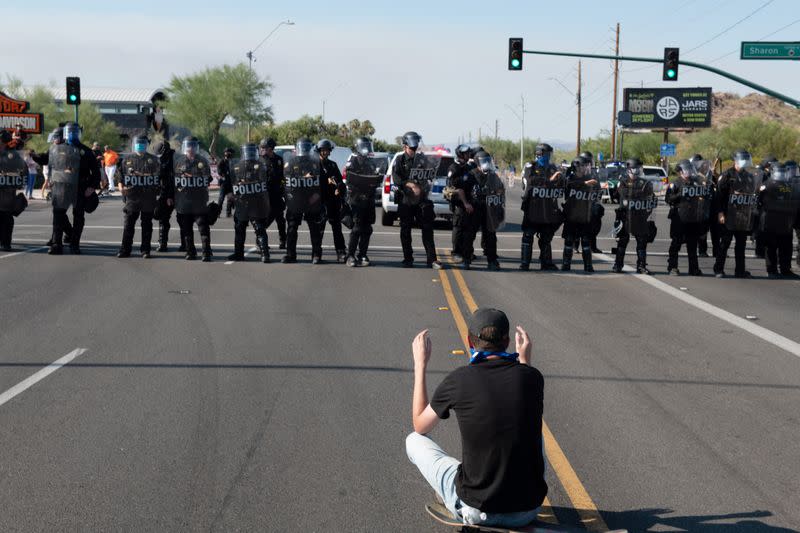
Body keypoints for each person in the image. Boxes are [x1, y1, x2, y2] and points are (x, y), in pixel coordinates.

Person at [405, 308, 546, 528]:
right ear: (507, 341)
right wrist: (525, 359)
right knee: (533, 430)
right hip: (526, 511)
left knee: (413, 440)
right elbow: (523, 384)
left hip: (477, 511)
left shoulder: (459, 380)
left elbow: (420, 425)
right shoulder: (533, 377)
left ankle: (450, 497)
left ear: (469, 343)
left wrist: (420, 365)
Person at [46, 122, 100, 255]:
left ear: (79, 133)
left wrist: (92, 187)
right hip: (61, 187)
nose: (72, 134)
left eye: (75, 132)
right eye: (69, 132)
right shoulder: (58, 149)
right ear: (65, 133)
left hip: (81, 188)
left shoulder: (86, 151)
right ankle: (56, 244)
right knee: (58, 215)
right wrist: (50, 180)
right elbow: (52, 166)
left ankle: (74, 244)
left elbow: (96, 172)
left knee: (78, 217)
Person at [392, 131, 442, 268]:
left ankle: (432, 259)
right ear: (405, 146)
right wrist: (409, 184)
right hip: (406, 200)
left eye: (415, 148)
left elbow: (430, 175)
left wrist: (431, 175)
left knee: (427, 229)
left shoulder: (422, 159)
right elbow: (396, 178)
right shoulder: (400, 160)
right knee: (405, 230)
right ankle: (408, 258)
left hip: (421, 200)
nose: (414, 150)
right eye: (411, 148)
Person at [713, 150, 758, 278]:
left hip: (742, 216)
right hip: (728, 214)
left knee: (741, 245)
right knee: (725, 243)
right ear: (736, 161)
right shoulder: (727, 175)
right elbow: (719, 197)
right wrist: (720, 213)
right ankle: (718, 269)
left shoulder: (748, 176)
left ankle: (740, 270)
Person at [282, 137, 327, 264]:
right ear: (297, 149)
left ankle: (316, 255)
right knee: (291, 227)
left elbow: (323, 184)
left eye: (307, 147)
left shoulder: (316, 162)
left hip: (311, 200)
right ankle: (290, 254)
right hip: (295, 200)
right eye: (303, 147)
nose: (304, 149)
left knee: (315, 228)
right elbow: (284, 181)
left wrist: (318, 197)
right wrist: (287, 196)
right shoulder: (291, 162)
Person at [225, 143, 271, 263]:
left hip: (256, 202)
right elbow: (229, 181)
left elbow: (266, 182)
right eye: (247, 151)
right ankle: (239, 253)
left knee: (259, 228)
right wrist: (229, 192)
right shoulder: (237, 166)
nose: (249, 154)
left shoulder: (261, 165)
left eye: (251, 151)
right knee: (239, 227)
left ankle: (265, 254)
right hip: (242, 202)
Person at [117, 135, 162, 258]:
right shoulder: (126, 160)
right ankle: (125, 250)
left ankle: (145, 250)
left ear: (146, 145)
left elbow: (159, 178)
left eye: (142, 143)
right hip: (132, 198)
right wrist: (121, 188)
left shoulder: (153, 160)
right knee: (128, 224)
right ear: (134, 144)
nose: (140, 145)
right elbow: (120, 177)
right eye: (138, 143)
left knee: (147, 225)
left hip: (148, 197)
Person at [520, 143, 563, 271]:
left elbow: (559, 184)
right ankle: (524, 263)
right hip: (533, 207)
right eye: (548, 154)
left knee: (546, 236)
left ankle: (546, 263)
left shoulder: (552, 168)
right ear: (541, 154)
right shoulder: (530, 166)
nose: (550, 157)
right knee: (528, 235)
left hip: (547, 208)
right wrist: (550, 180)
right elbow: (531, 181)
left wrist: (561, 177)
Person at [665, 160, 711, 276]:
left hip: (693, 217)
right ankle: (672, 267)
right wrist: (680, 195)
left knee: (692, 244)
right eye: (686, 170)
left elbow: (706, 195)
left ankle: (694, 268)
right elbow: (668, 199)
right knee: (676, 243)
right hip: (679, 217)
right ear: (680, 172)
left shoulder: (696, 182)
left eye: (690, 169)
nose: (689, 172)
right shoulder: (675, 183)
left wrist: (706, 188)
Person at [343, 136, 383, 267]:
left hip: (369, 200)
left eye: (368, 145)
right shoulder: (353, 160)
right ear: (358, 147)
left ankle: (363, 254)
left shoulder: (371, 162)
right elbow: (349, 179)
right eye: (364, 146)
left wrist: (377, 178)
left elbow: (376, 179)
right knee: (356, 229)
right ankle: (350, 255)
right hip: (356, 200)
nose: (367, 149)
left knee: (367, 229)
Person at [612, 158, 656, 274]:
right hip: (625, 216)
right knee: (622, 242)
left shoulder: (645, 183)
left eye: (639, 169)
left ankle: (641, 266)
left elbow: (652, 197)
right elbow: (624, 193)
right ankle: (618, 265)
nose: (637, 171)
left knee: (642, 243)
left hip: (640, 216)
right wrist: (639, 193)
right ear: (628, 170)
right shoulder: (623, 182)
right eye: (634, 169)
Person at [174, 136, 213, 261]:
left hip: (199, 199)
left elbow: (209, 178)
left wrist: (193, 177)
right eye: (188, 145)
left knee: (203, 227)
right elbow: (174, 179)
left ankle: (206, 252)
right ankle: (190, 252)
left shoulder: (202, 161)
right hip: (184, 199)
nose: (191, 148)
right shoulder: (179, 161)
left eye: (193, 145)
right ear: (185, 147)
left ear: (196, 147)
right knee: (186, 228)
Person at [757, 163, 799, 279]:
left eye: (783, 172)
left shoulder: (790, 186)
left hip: (786, 221)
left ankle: (785, 269)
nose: (781, 174)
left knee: (786, 246)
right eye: (779, 172)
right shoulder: (766, 185)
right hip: (770, 221)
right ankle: (772, 269)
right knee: (771, 246)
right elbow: (758, 201)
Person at [465, 151, 504, 270]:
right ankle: (466, 259)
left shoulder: (493, 175)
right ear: (477, 162)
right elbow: (463, 190)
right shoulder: (471, 175)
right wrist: (467, 203)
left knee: (490, 236)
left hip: (489, 209)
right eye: (484, 161)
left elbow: (500, 190)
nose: (486, 163)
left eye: (488, 160)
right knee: (470, 235)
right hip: (475, 209)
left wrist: (498, 197)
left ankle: (492, 260)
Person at [561, 156, 599, 273]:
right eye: (582, 165)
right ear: (576, 167)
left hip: (585, 216)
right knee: (569, 241)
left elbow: (597, 192)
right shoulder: (570, 178)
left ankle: (588, 265)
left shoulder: (590, 178)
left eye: (586, 165)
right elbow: (570, 185)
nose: (585, 168)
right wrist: (585, 183)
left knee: (586, 242)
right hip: (572, 215)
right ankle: (566, 264)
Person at [317, 139, 347, 263]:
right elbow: (308, 180)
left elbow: (340, 181)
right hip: (319, 201)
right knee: (319, 229)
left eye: (327, 150)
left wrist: (339, 187)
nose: (325, 152)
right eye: (323, 150)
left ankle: (341, 252)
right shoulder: (314, 164)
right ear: (319, 151)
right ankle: (317, 253)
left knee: (336, 228)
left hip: (332, 201)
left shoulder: (333, 165)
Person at [447, 144, 477, 262]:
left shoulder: (469, 167)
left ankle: (467, 251)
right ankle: (456, 252)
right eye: (466, 153)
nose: (468, 155)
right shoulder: (454, 168)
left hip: (470, 202)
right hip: (459, 203)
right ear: (460, 154)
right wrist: (465, 203)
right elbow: (456, 187)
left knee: (469, 229)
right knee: (458, 227)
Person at [0, 130, 29, 250]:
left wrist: (20, 181)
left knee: (6, 216)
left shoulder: (11, 155)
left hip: (6, 192)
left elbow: (24, 171)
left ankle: (6, 242)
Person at [259, 137, 287, 250]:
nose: (263, 150)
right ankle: (260, 241)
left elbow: (283, 176)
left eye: (265, 148)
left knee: (280, 219)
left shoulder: (279, 160)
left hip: (277, 193)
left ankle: (283, 241)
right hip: (265, 194)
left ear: (271, 148)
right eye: (262, 148)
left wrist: (284, 187)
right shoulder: (260, 160)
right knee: (265, 219)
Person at [153, 140, 180, 252]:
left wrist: (169, 196)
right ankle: (162, 243)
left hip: (173, 192)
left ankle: (184, 245)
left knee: (182, 219)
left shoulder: (174, 159)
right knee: (162, 217)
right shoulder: (162, 159)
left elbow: (171, 179)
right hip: (165, 192)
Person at [580, 151, 605, 253]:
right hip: (580, 203)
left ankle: (593, 246)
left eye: (590, 162)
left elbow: (598, 188)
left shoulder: (594, 173)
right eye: (587, 162)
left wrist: (598, 196)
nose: (589, 164)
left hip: (593, 202)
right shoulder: (577, 172)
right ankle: (575, 243)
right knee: (578, 225)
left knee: (595, 224)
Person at [216, 147, 235, 218]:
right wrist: (223, 174)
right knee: (221, 198)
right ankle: (217, 213)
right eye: (227, 152)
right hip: (224, 182)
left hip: (230, 182)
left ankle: (228, 212)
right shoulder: (222, 161)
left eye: (230, 152)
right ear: (225, 153)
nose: (229, 154)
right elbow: (219, 171)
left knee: (230, 198)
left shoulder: (232, 162)